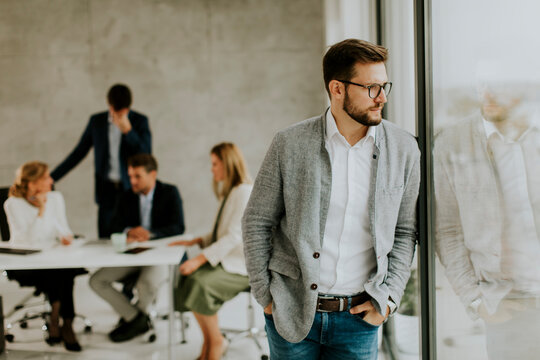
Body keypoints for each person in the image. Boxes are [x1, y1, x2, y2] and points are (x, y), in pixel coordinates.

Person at [242, 39, 421, 360]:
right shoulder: (289, 143)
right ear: (337, 88)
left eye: (384, 86)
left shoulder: (404, 148)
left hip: (359, 318)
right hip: (290, 312)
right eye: (371, 88)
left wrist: (390, 297)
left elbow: (405, 232)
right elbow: (256, 220)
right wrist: (265, 294)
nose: (382, 97)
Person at [434, 75, 540, 359]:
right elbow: (448, 230)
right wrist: (476, 299)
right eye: (482, 83)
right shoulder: (452, 143)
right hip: (508, 303)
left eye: (501, 83)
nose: (488, 93)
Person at [169, 142, 252, 360]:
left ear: (228, 164)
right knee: (188, 280)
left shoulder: (244, 192)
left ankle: (215, 340)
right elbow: (222, 232)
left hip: (241, 267)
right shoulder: (229, 192)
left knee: (199, 283)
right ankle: (210, 340)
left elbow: (235, 237)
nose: (212, 169)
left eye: (215, 164)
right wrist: (197, 240)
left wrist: (198, 260)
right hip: (226, 260)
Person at [89, 153, 185, 342]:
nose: (132, 181)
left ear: (153, 175)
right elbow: (112, 226)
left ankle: (133, 321)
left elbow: (178, 226)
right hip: (132, 256)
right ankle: (137, 319)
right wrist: (128, 231)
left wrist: (151, 234)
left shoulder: (170, 192)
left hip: (159, 255)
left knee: (146, 284)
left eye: (137, 176)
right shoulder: (126, 196)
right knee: (96, 280)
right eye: (130, 176)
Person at [51, 84, 152, 238]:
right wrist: (52, 178)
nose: (119, 115)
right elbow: (78, 153)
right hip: (106, 190)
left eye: (123, 112)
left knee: (131, 237)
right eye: (116, 112)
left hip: (131, 189)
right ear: (109, 105)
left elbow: (147, 156)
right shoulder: (96, 122)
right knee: (106, 237)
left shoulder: (140, 121)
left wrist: (129, 132)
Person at [3, 161, 83, 352]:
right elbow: (27, 241)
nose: (51, 181)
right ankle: (62, 323)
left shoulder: (55, 198)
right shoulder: (12, 204)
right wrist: (41, 210)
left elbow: (63, 228)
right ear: (32, 183)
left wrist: (65, 237)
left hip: (54, 259)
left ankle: (61, 321)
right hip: (27, 264)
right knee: (62, 274)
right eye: (46, 177)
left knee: (63, 270)